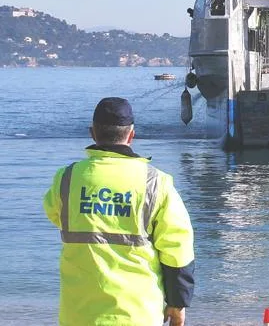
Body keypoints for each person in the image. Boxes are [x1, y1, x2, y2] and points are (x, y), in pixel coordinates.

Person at [43, 97, 195, 326]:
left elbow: (56, 215)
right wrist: (177, 302)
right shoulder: (156, 183)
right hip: (138, 314)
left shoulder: (67, 178)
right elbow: (177, 247)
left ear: (92, 133)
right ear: (131, 135)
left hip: (79, 315)